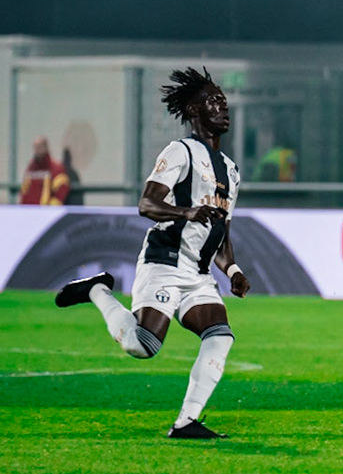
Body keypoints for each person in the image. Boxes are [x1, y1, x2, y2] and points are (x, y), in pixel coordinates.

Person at [54, 68, 247, 439]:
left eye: (224, 101)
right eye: (213, 100)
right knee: (142, 346)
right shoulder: (180, 151)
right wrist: (186, 212)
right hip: (164, 261)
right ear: (193, 109)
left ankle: (186, 421)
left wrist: (233, 269)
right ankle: (97, 290)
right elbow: (147, 204)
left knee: (220, 336)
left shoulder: (232, 172)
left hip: (199, 275)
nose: (222, 106)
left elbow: (222, 230)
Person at [19, 137, 70, 205]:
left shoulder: (56, 168)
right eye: (35, 147)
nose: (37, 150)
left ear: (46, 147)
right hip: (29, 211)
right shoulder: (31, 168)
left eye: (39, 146)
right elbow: (24, 190)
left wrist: (50, 207)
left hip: (45, 211)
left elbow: (62, 188)